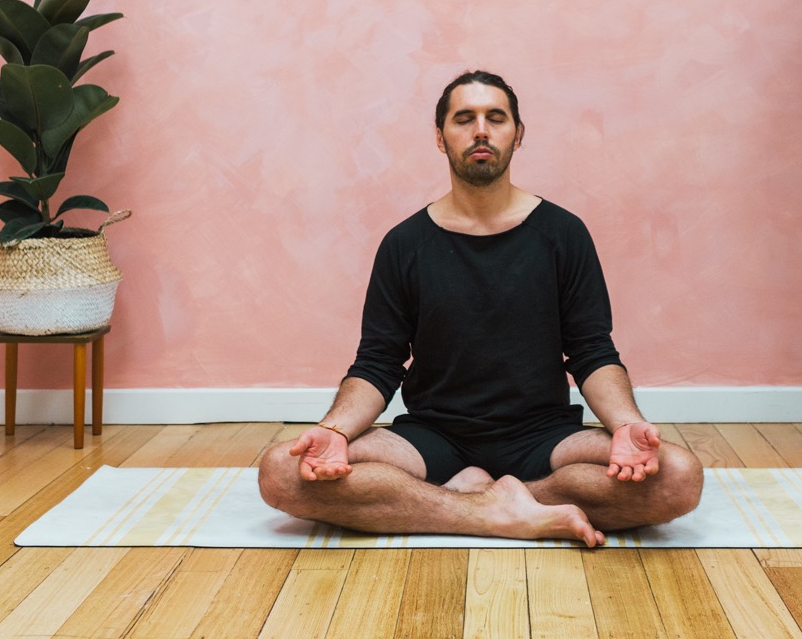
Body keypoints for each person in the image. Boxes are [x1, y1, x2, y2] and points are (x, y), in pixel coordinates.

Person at [257, 70, 703, 546]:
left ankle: (473, 500)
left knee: (678, 476)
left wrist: (626, 424)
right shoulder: (404, 244)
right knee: (281, 471)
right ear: (440, 137)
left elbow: (592, 350)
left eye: (496, 117)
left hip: (543, 435)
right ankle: (494, 512)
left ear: (518, 133)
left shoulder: (563, 234)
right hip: (432, 437)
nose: (481, 130)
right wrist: (335, 430)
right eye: (464, 118)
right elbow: (378, 363)